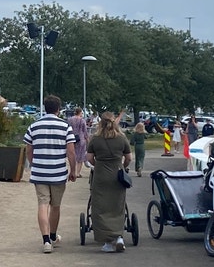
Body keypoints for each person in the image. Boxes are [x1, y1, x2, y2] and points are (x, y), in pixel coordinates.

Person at [24, 94, 77, 253]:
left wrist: (34, 164)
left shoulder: (34, 126)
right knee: (55, 206)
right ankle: (53, 235)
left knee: (42, 204)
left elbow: (28, 150)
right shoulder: (65, 126)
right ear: (58, 109)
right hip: (58, 172)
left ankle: (46, 240)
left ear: (44, 108)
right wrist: (73, 170)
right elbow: (71, 152)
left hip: (39, 172)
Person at [87, 112, 133, 252]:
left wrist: (98, 165)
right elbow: (129, 158)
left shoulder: (95, 139)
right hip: (117, 175)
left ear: (100, 123)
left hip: (101, 176)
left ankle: (107, 241)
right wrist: (122, 167)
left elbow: (89, 159)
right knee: (117, 206)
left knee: (100, 207)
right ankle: (118, 236)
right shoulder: (121, 138)